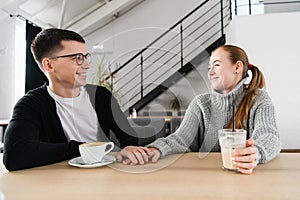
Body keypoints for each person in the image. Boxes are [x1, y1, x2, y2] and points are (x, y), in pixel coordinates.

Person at [117, 44, 281, 175]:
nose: (210, 72)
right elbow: (180, 139)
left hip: (246, 177)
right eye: (209, 67)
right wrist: (156, 149)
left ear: (237, 67)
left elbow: (269, 134)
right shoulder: (201, 103)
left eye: (216, 65)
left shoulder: (258, 99)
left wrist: (257, 152)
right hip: (205, 177)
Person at [3, 28, 138, 171]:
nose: (87, 65)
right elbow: (14, 155)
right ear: (49, 65)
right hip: (60, 181)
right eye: (77, 58)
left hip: (108, 175)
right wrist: (82, 148)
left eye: (86, 57)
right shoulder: (31, 104)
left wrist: (130, 147)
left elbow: (128, 136)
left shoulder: (101, 95)